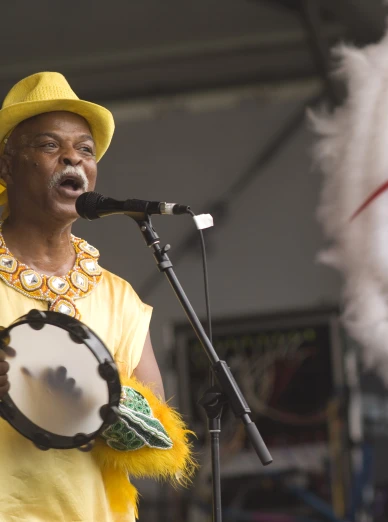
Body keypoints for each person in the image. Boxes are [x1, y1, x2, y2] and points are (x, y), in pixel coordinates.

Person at [0, 72, 193, 522]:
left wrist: (89, 395)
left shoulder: (117, 296)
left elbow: (157, 434)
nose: (72, 157)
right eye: (49, 145)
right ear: (7, 166)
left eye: (85, 149)